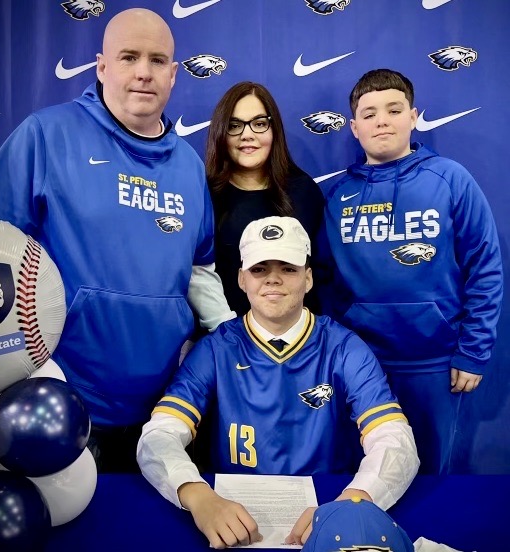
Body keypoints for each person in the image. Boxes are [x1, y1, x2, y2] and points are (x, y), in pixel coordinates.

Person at [0, 8, 234, 472]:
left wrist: (230, 334)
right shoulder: (46, 135)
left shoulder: (189, 166)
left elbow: (199, 270)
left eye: (157, 60)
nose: (143, 73)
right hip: (60, 401)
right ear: (102, 66)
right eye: (129, 57)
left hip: (164, 408)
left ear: (174, 75)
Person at [137, 216, 419, 549]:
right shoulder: (216, 348)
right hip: (233, 514)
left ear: (308, 278)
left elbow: (395, 439)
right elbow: (159, 434)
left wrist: (353, 502)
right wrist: (196, 494)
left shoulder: (343, 347)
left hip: (325, 508)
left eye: (288, 268)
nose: (273, 279)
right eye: (259, 269)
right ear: (242, 279)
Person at [316, 68, 503, 474]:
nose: (382, 120)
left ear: (414, 116)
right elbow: (324, 280)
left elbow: (484, 268)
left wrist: (473, 352)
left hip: (433, 363)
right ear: (353, 127)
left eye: (394, 109)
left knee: (432, 474)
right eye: (369, 113)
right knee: (364, 475)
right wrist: (334, 353)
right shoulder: (339, 196)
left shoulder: (450, 179)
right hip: (360, 364)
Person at [206, 81, 324, 316]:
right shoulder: (204, 195)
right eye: (234, 125)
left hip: (296, 341)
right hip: (225, 341)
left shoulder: (304, 192)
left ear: (274, 130)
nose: (247, 135)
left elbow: (322, 274)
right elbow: (195, 276)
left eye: (259, 124)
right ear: (221, 132)